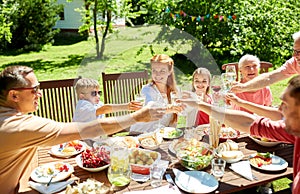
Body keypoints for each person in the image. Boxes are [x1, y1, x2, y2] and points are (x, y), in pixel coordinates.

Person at [0, 65, 165, 194]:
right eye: (35, 89)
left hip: (27, 179)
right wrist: (138, 116)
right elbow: (86, 129)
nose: (40, 94)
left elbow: (103, 109)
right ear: (14, 96)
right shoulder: (17, 126)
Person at [179, 75, 300, 194]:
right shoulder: (294, 129)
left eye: (285, 104)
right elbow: (253, 123)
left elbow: (250, 122)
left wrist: (200, 105)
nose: (279, 108)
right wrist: (200, 104)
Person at [73, 77, 142, 145]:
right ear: (82, 96)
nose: (98, 96)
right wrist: (126, 106)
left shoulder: (97, 103)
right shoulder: (83, 105)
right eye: (93, 93)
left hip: (96, 138)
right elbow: (105, 109)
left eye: (99, 93)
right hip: (84, 141)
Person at [231, 31, 300, 93]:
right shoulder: (294, 63)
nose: (294, 55)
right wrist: (243, 87)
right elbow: (270, 77)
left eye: (298, 51)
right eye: (294, 51)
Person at [130, 54, 181, 133]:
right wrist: (168, 109)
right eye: (154, 71)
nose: (158, 75)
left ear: (170, 71)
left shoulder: (175, 91)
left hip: (160, 136)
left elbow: (174, 120)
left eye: (162, 71)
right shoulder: (147, 89)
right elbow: (151, 108)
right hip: (140, 133)